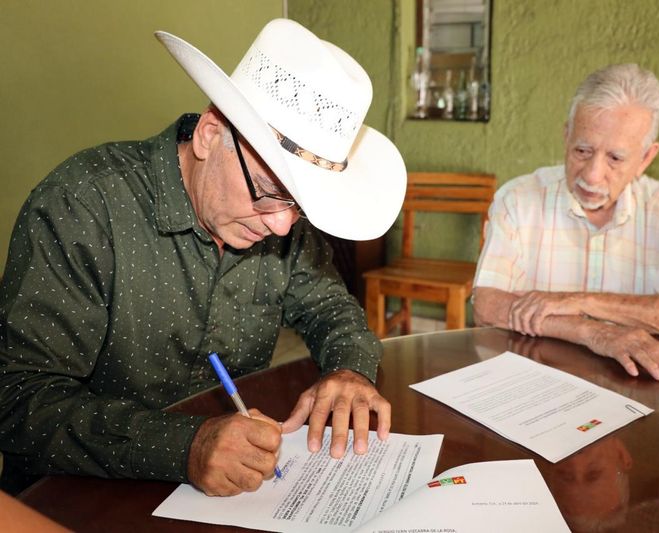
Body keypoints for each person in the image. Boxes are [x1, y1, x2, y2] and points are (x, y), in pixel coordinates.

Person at [0, 19, 406, 496]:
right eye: (271, 192)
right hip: (76, 498)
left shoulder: (281, 221)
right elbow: (19, 402)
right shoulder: (82, 207)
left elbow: (330, 308)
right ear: (211, 134)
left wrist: (349, 369)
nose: (280, 225)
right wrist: (183, 445)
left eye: (299, 206)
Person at [473, 63, 659, 381]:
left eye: (615, 158)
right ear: (566, 136)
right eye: (582, 150)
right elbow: (487, 304)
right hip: (533, 385)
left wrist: (581, 301)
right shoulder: (518, 200)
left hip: (636, 388)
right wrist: (590, 331)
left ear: (646, 157)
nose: (592, 174)